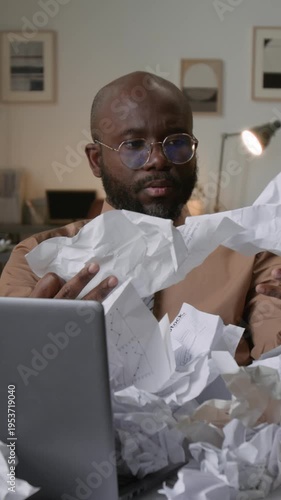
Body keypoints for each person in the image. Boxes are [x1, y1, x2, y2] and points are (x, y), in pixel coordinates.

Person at [1, 71, 281, 365]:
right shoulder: (35, 261)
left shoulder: (250, 255)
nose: (159, 159)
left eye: (176, 142)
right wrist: (42, 347)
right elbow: (12, 391)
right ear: (96, 160)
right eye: (133, 145)